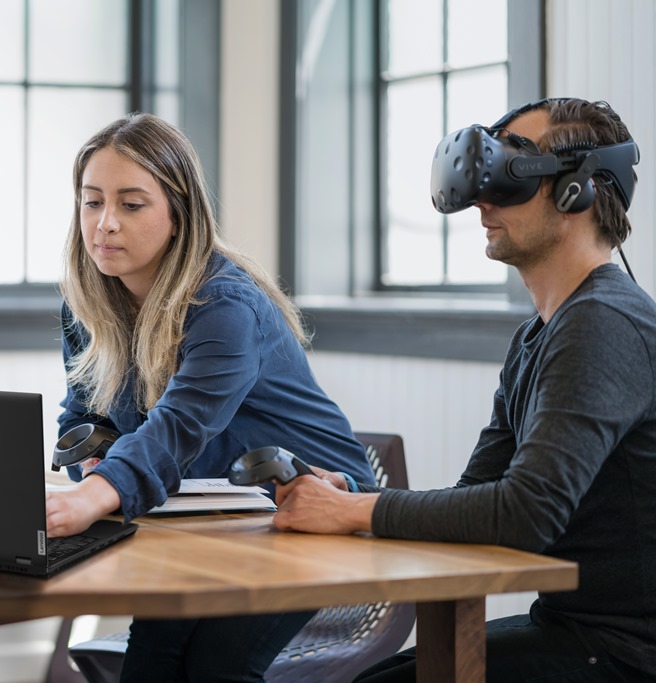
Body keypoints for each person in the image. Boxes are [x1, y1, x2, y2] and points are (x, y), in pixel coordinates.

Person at [273, 98, 655, 682]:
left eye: (508, 178)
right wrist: (349, 500)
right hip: (572, 628)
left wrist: (352, 510)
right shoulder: (540, 333)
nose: (483, 200)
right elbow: (479, 497)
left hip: (625, 654)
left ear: (577, 191)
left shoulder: (603, 322)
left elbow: (526, 513)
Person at [46, 112, 376, 682]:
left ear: (178, 213)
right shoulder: (89, 305)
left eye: (131, 204)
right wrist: (92, 467)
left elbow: (179, 426)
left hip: (310, 505)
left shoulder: (222, 305)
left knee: (218, 667)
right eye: (92, 201)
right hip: (200, 515)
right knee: (151, 661)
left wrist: (96, 495)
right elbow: (82, 420)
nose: (105, 224)